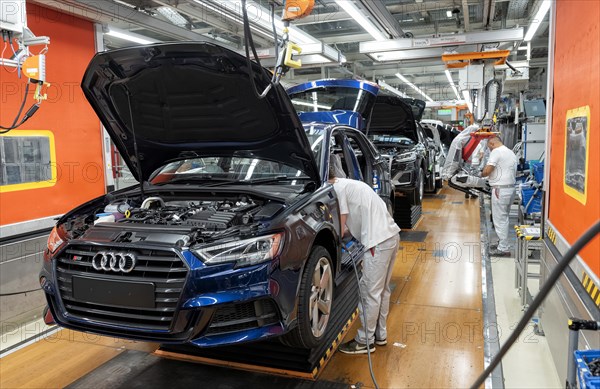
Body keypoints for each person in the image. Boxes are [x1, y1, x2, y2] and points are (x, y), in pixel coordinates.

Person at [328, 154, 401, 354]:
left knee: (370, 292)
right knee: (382, 290)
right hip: (391, 236)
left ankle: (364, 341)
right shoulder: (351, 184)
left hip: (378, 242)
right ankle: (380, 335)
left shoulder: (336, 189)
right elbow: (354, 221)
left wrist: (334, 240)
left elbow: (342, 225)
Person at [482, 136, 518, 256]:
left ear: (492, 143)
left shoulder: (496, 152)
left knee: (499, 219)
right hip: (511, 189)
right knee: (504, 218)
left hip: (500, 190)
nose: (490, 150)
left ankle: (503, 248)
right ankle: (501, 242)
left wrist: (480, 174)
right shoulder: (510, 152)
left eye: (489, 147)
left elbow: (488, 170)